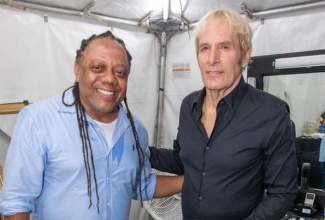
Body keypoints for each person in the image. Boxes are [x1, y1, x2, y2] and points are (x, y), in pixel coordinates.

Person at [0, 30, 183, 220]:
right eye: (97, 67)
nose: (110, 79)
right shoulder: (38, 119)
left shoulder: (136, 130)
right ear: (77, 70)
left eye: (120, 72)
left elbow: (141, 185)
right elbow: (16, 202)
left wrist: (193, 181)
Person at [149, 9, 298, 220]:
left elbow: (282, 192)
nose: (212, 59)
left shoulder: (271, 113)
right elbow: (183, 161)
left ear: (244, 56)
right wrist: (139, 151)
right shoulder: (188, 106)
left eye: (224, 47)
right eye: (205, 48)